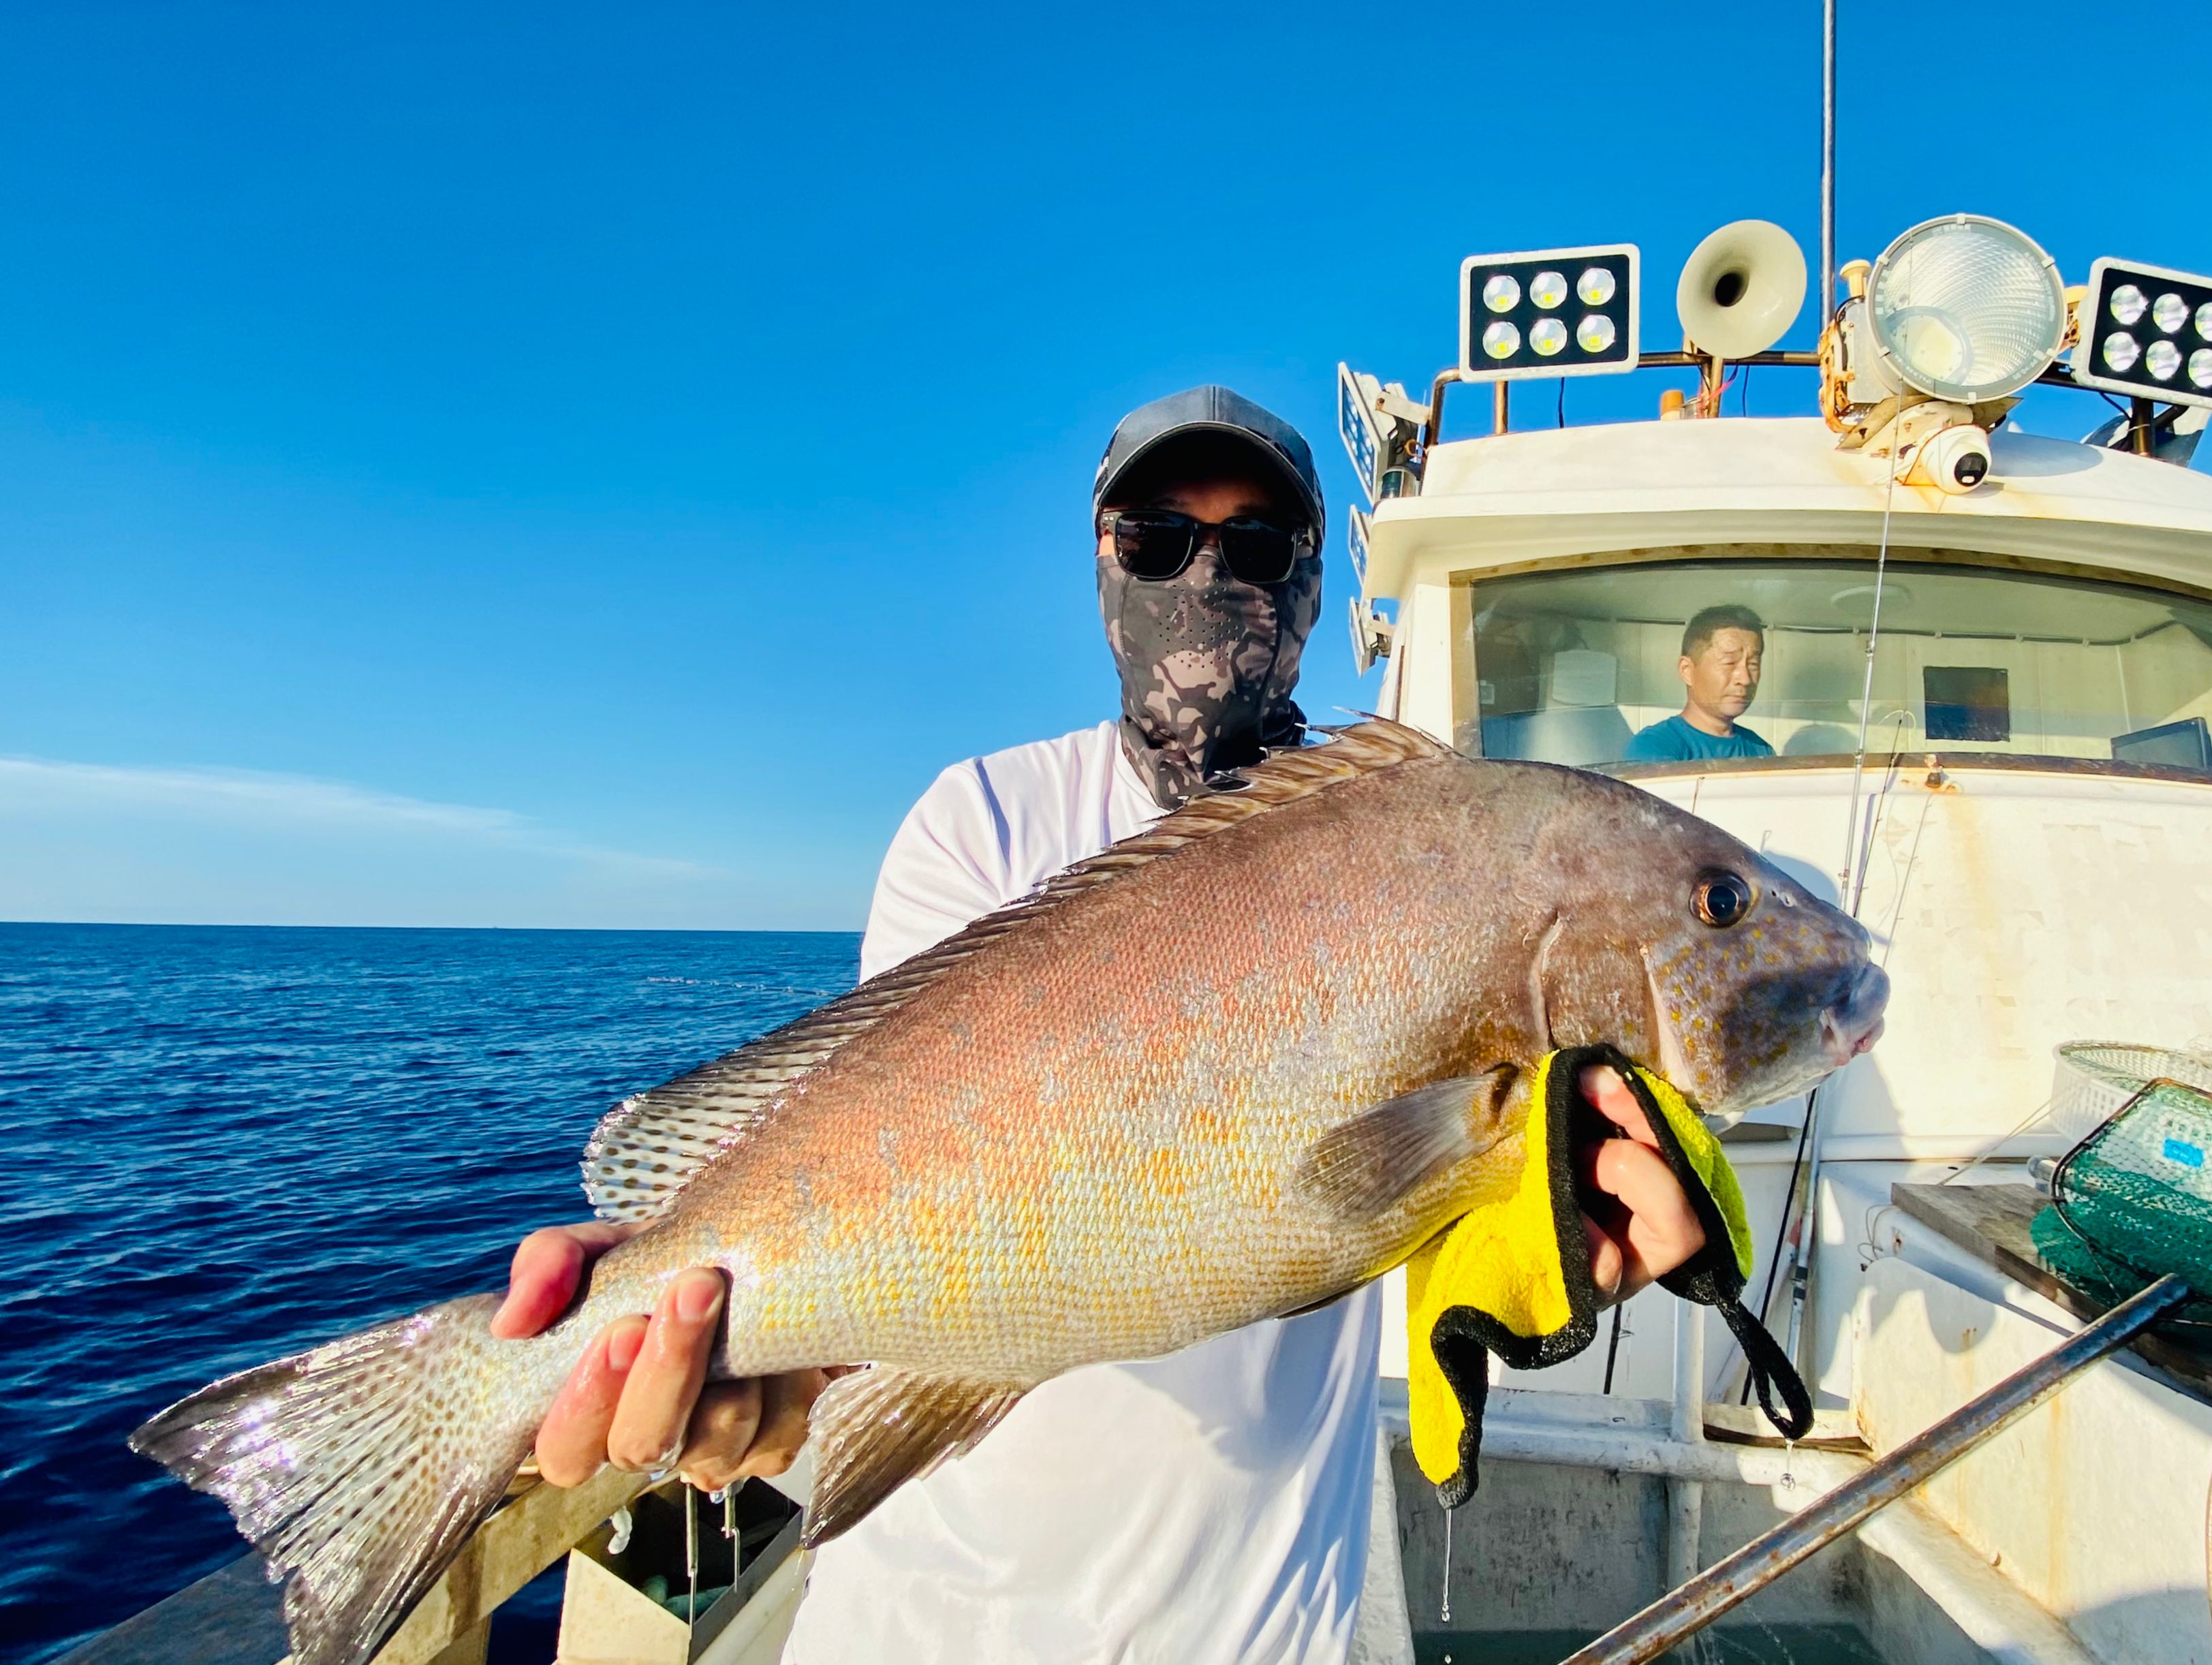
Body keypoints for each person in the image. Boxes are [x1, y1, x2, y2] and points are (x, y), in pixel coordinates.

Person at [489, 385, 1708, 1662]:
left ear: (1305, 582)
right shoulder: (984, 820)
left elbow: (1408, 1205)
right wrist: (766, 1353)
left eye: (1254, 547)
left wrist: (1549, 1215)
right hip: (929, 1626)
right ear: (1103, 561)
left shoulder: (1424, 847)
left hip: (1260, 1627)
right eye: (1159, 538)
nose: (1206, 574)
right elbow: (913, 1183)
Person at [1623, 604, 1775, 763]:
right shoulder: (1655, 747)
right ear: (1687, 671)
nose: (1745, 679)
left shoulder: (1760, 750)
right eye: (1729, 662)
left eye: (1753, 664)